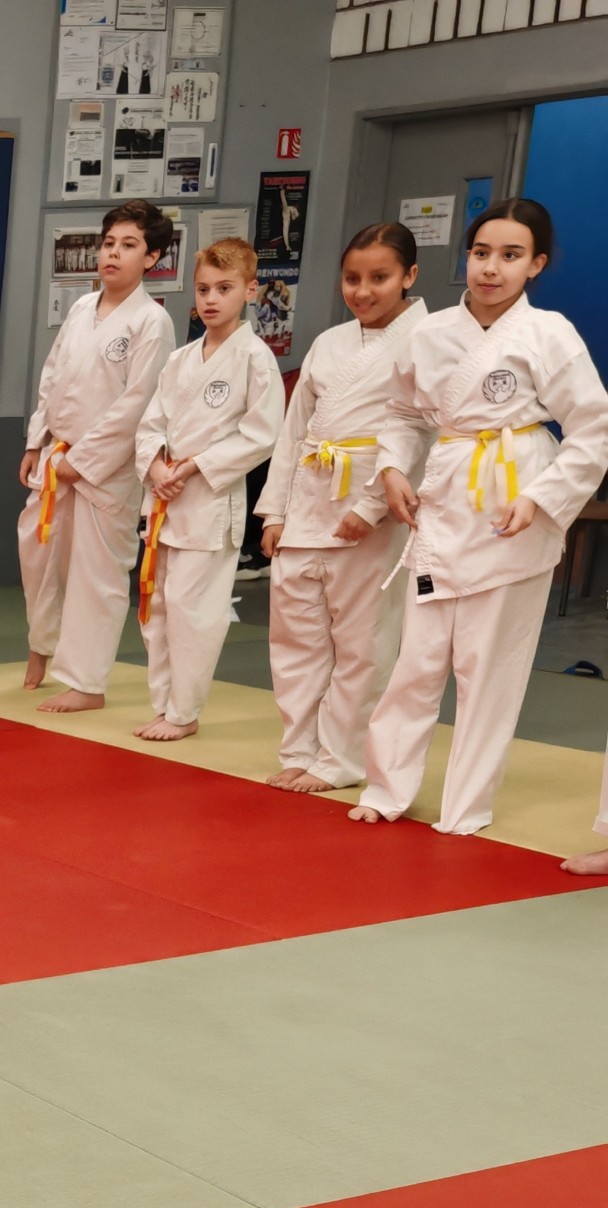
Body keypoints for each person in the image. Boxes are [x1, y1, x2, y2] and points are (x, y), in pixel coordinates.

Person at [353, 197, 608, 837]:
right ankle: (386, 787)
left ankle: (466, 806)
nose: (492, 268)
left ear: (536, 264)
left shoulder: (549, 333)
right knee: (417, 662)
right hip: (443, 505)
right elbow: (403, 413)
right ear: (466, 256)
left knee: (489, 669)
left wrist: (543, 496)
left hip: (511, 505)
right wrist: (392, 469)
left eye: (510, 255)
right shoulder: (432, 332)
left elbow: (593, 428)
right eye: (481, 252)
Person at [255, 224, 428, 791]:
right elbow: (295, 431)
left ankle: (342, 758)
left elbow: (419, 433)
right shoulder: (330, 341)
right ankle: (300, 749)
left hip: (370, 506)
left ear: (409, 276)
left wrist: (372, 506)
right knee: (296, 638)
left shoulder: (427, 340)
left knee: (362, 644)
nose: (363, 291)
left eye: (380, 277)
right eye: (352, 278)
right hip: (308, 499)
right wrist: (275, 512)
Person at [21, 199, 177, 712]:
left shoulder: (152, 321)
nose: (113, 253)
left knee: (96, 574)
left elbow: (137, 403)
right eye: (109, 243)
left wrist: (81, 461)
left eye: (129, 245)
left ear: (151, 257)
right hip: (57, 453)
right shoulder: (82, 308)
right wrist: (36, 440)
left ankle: (87, 682)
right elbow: (52, 376)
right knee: (39, 559)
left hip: (104, 470)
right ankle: (41, 646)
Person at [130, 235, 283, 741]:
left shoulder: (255, 357)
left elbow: (262, 435)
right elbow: (151, 423)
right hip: (165, 498)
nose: (211, 299)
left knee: (194, 613)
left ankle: (184, 712)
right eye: (203, 289)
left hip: (210, 503)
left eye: (224, 288)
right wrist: (155, 466)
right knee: (159, 607)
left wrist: (196, 466)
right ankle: (164, 704)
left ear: (250, 290)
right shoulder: (180, 359)